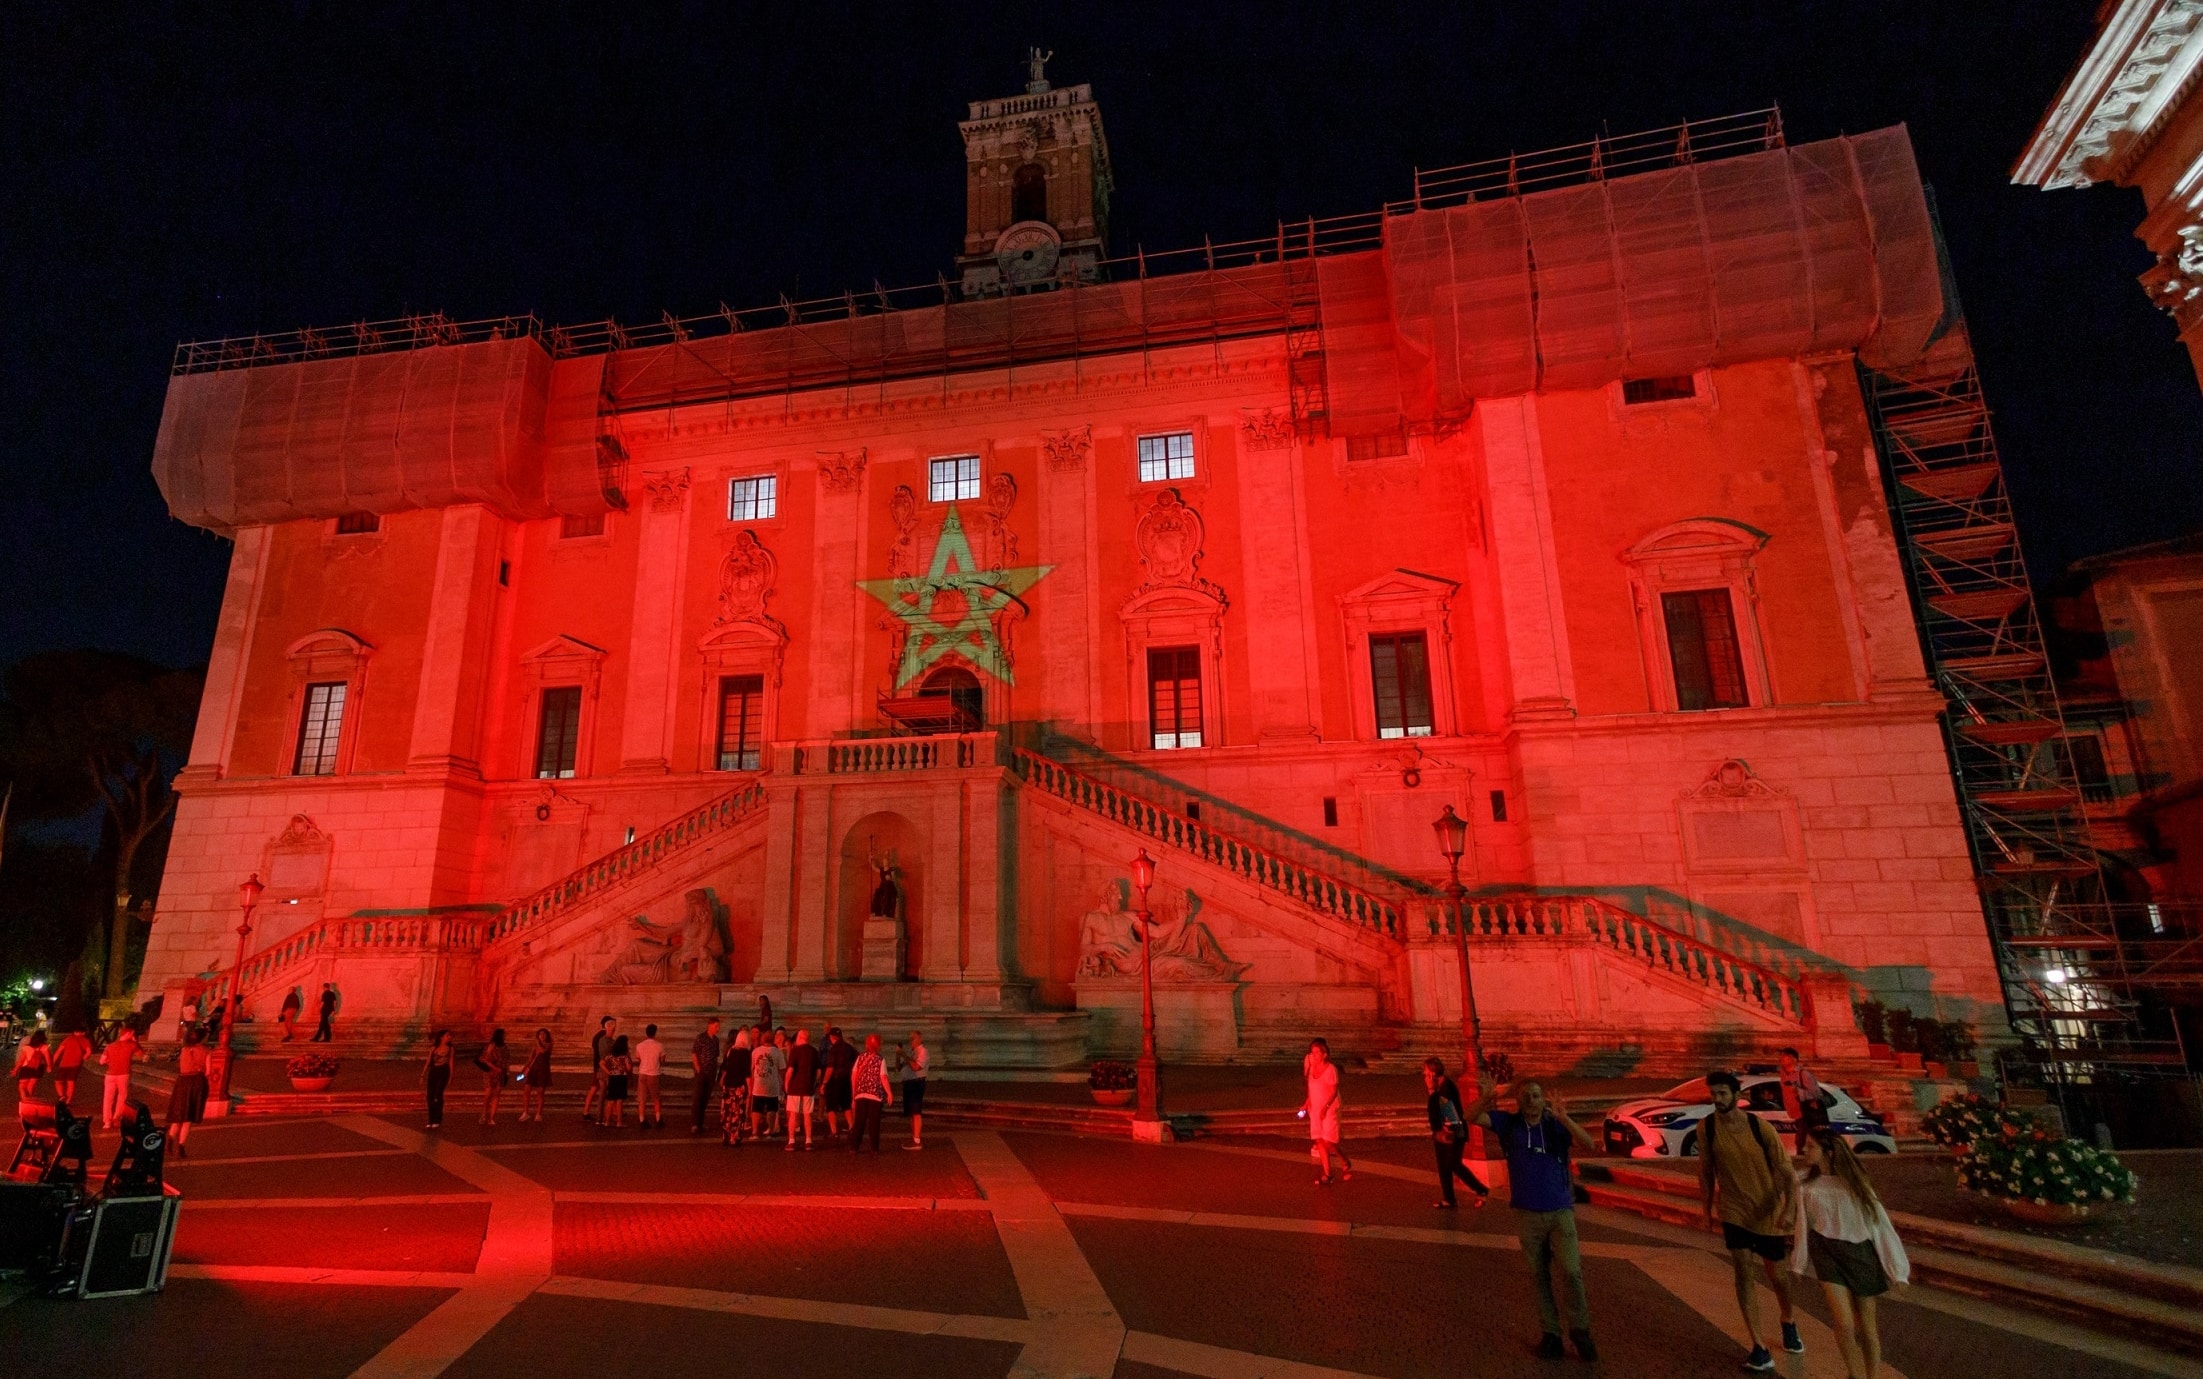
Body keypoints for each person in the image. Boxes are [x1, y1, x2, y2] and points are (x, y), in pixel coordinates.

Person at [1466, 1073, 1598, 1361]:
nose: (1531, 1101)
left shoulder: (1555, 1126)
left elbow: (1589, 1144)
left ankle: (1579, 1329)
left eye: (1536, 1095)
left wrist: (1565, 1119)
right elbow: (1470, 1116)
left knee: (1572, 1272)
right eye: (1525, 1096)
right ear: (1518, 1101)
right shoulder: (1509, 1124)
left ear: (1543, 1100)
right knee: (1539, 1276)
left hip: (1560, 1212)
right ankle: (1551, 1333)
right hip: (1526, 1213)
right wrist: (1487, 1098)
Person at [1700, 1069, 1803, 1372]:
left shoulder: (1761, 1128)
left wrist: (1790, 1209)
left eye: (1722, 1093)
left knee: (1778, 1276)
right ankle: (1758, 1346)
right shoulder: (1707, 1128)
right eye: (1713, 1093)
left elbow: (1786, 1171)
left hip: (1768, 1209)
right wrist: (1706, 1210)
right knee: (1743, 1273)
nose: (1717, 1099)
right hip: (1734, 1210)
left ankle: (1788, 1318)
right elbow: (1706, 1172)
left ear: (1737, 1096)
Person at [1793, 1128, 1907, 1379]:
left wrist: (1898, 1270)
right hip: (1826, 1251)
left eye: (1811, 1146)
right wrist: (1799, 1262)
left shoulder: (1856, 1185)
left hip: (1860, 1252)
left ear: (1829, 1153)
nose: (1804, 1150)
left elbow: (1880, 1226)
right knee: (1843, 1324)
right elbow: (1802, 1225)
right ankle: (1854, 1374)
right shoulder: (1804, 1182)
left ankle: (1872, 1375)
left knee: (1867, 1326)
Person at [1422, 1057, 1488, 1209]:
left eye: (1426, 1073)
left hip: (1452, 1133)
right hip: (1443, 1132)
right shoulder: (1441, 1086)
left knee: (1453, 1164)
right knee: (1443, 1166)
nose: (1425, 1076)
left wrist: (1431, 1092)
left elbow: (1439, 1112)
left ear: (1433, 1074)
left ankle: (1481, 1190)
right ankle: (1449, 1199)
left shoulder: (1445, 1088)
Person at [1300, 1038, 1352, 1185]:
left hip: (1329, 1108)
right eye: (1312, 1052)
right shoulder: (1311, 1069)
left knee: (1329, 1142)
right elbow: (1311, 1089)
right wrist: (1306, 1103)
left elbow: (1334, 1091)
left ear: (1324, 1054)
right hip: (1314, 1108)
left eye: (1317, 1052)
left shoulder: (1331, 1069)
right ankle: (1327, 1174)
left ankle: (1344, 1160)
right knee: (1320, 1141)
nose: (1314, 1055)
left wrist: (1326, 1107)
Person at [165, 1027, 210, 1157]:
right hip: (197, 1083)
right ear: (202, 1038)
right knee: (188, 1118)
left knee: (179, 1116)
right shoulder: (206, 1051)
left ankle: (170, 1142)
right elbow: (208, 1072)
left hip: (182, 1082)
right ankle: (181, 1146)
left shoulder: (184, 1050)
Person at [1777, 1047, 1827, 1151]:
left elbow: (1817, 1093)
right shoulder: (1784, 1074)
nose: (1781, 1058)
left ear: (1793, 1059)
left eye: (1784, 1056)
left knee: (1801, 1142)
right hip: (1795, 1114)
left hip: (1805, 1114)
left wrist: (1798, 1091)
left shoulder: (1804, 1074)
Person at [849, 1033, 892, 1151]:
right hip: (874, 1095)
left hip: (860, 1094)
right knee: (874, 1122)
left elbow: (854, 1076)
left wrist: (854, 1094)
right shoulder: (880, 1059)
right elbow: (883, 1077)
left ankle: (854, 1146)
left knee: (859, 1122)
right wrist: (889, 1093)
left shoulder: (860, 1057)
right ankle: (874, 1147)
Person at [784, 1028, 820, 1150]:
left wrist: (786, 1083)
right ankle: (808, 1140)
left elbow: (790, 1070)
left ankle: (791, 1141)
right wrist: (814, 1081)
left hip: (795, 1086)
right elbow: (819, 1071)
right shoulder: (814, 1051)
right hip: (808, 1086)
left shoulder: (795, 1051)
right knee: (807, 1114)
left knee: (793, 1114)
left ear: (799, 1038)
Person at [100, 1025, 141, 1129]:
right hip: (123, 1074)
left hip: (110, 1074)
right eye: (132, 1034)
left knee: (108, 1098)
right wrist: (135, 1041)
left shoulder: (110, 1046)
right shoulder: (132, 1045)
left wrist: (110, 1061)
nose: (133, 1035)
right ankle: (116, 1118)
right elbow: (140, 1054)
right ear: (127, 1034)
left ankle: (107, 1122)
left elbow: (102, 1061)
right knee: (122, 1096)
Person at [748, 1027, 785, 1140]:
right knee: (771, 1109)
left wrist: (752, 1082)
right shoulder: (777, 1052)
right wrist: (782, 1084)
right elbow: (782, 1069)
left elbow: (752, 1068)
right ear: (773, 1039)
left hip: (758, 1084)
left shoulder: (756, 1051)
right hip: (772, 1084)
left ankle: (754, 1132)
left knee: (756, 1109)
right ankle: (770, 1131)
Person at [896, 1029, 929, 1150]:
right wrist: (898, 1055)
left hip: (916, 1083)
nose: (911, 1041)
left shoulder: (923, 1052)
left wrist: (904, 1054)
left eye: (913, 1038)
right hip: (908, 1084)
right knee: (911, 1113)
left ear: (920, 1039)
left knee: (916, 1112)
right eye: (910, 1038)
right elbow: (898, 1067)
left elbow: (916, 1067)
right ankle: (914, 1138)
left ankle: (917, 1140)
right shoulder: (912, 1052)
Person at [720, 1027, 754, 1145]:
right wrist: (750, 1088)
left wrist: (722, 1079)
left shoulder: (731, 1051)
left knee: (728, 1111)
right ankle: (735, 1137)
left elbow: (724, 1066)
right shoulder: (745, 1054)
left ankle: (725, 1136)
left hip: (728, 1084)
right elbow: (747, 1073)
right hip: (739, 1085)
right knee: (738, 1112)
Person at [822, 1027, 856, 1138]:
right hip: (846, 1080)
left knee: (831, 1107)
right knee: (846, 1106)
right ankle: (852, 1127)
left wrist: (824, 1083)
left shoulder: (833, 1050)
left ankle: (834, 1131)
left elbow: (830, 1068)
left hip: (834, 1081)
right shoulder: (849, 1048)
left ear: (832, 1037)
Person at [690, 1017, 722, 1135]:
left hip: (711, 1072)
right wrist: (698, 1067)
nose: (718, 1029)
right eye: (716, 1026)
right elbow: (694, 1053)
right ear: (710, 1026)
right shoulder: (701, 1038)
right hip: (701, 1072)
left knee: (705, 1098)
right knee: (698, 1097)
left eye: (718, 1027)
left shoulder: (716, 1040)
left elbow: (716, 1056)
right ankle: (694, 1123)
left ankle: (700, 1122)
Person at [582, 1016, 617, 1122]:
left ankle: (586, 1111)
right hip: (602, 1066)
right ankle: (611, 1113)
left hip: (597, 1065)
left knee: (594, 1087)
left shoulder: (596, 1036)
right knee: (605, 1090)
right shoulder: (604, 1037)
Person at [51, 1027, 93, 1108]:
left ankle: (61, 1096)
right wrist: (81, 1058)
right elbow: (88, 1053)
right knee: (71, 1082)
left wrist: (51, 1063)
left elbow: (59, 1051)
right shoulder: (85, 1041)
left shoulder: (68, 1039)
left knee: (58, 1081)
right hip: (76, 1064)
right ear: (83, 1033)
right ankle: (68, 1101)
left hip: (64, 1064)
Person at [635, 1023, 666, 1129]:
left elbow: (638, 1059)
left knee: (642, 1099)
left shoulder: (639, 1045)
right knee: (656, 1098)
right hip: (654, 1073)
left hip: (642, 1073)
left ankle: (642, 1120)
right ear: (655, 1033)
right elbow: (662, 1060)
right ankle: (658, 1119)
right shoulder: (659, 1045)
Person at [422, 1030, 455, 1129]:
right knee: (430, 1096)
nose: (449, 1037)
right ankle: (430, 1119)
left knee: (438, 1095)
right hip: (433, 1071)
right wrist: (422, 1075)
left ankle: (437, 1119)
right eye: (447, 1035)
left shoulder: (450, 1048)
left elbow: (451, 1062)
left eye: (449, 1036)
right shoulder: (433, 1048)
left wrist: (450, 1077)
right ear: (441, 1037)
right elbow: (428, 1062)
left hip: (443, 1071)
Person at [477, 1028, 510, 1126]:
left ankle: (492, 1118)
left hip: (501, 1073)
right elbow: (486, 1060)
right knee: (488, 1094)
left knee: (496, 1095)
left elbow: (507, 1060)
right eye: (504, 1035)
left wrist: (507, 1072)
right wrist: (495, 1068)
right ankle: (484, 1113)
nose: (505, 1036)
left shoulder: (505, 1047)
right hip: (490, 1073)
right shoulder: (491, 1046)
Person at [519, 1028, 553, 1122]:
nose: (542, 1036)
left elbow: (543, 1051)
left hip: (543, 1070)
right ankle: (525, 1112)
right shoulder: (535, 1046)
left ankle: (538, 1114)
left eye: (543, 1034)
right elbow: (531, 1058)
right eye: (540, 1034)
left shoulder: (548, 1044)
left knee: (540, 1092)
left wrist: (538, 1042)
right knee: (526, 1090)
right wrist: (525, 1068)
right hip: (533, 1069)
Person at [600, 1034, 633, 1128]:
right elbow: (629, 1068)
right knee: (619, 1101)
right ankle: (619, 1122)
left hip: (613, 1077)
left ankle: (607, 1121)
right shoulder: (625, 1057)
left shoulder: (610, 1056)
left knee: (610, 1100)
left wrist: (608, 1072)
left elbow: (601, 1063)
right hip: (621, 1078)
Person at [13, 1029, 50, 1103]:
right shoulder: (44, 1047)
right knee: (31, 1086)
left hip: (26, 1068)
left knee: (22, 1086)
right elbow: (47, 1058)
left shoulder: (27, 1048)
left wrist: (15, 1070)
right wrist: (49, 1067)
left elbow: (21, 1061)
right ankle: (29, 1101)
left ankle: (24, 1100)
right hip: (38, 1068)